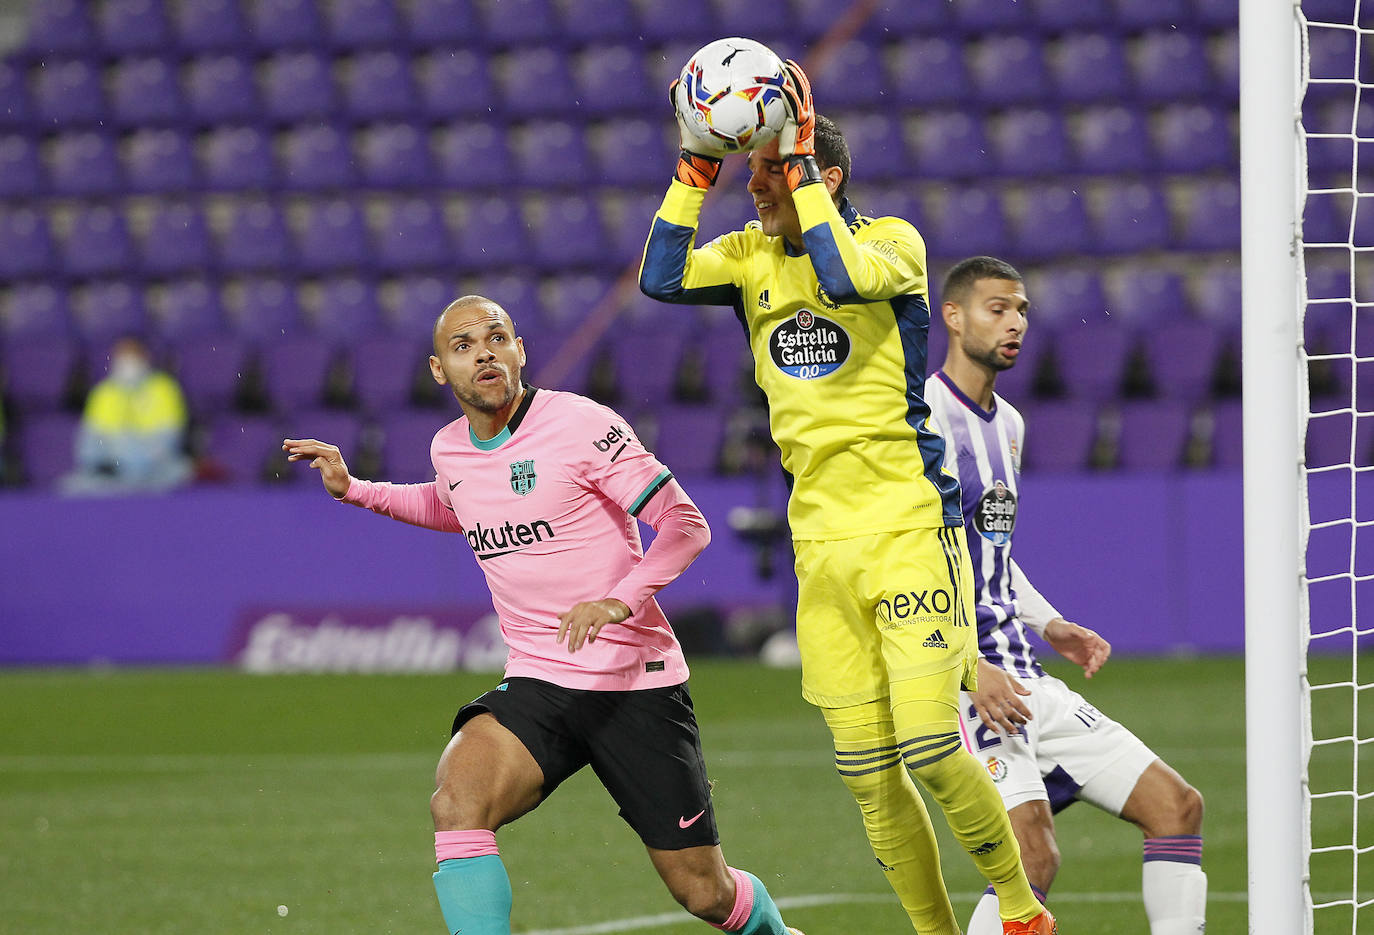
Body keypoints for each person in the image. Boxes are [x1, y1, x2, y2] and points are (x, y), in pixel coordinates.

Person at [640, 60, 1055, 935]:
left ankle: (1022, 914)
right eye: (749, 171)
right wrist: (692, 168)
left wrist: (790, 157)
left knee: (936, 749)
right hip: (821, 548)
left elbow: (842, 277)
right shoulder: (749, 257)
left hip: (909, 525)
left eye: (766, 171)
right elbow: (663, 276)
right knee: (869, 774)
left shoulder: (895, 243)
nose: (752, 188)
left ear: (820, 174)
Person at [283, 295, 805, 935]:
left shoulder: (580, 424)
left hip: (631, 681)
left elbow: (683, 525)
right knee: (457, 802)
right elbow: (455, 505)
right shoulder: (451, 448)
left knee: (704, 893)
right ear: (439, 369)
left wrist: (621, 599)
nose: (484, 353)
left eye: (496, 337)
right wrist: (356, 489)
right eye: (464, 345)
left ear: (519, 349)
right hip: (539, 680)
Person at [924, 256, 1207, 935]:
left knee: (1177, 806)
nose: (1015, 322)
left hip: (1023, 673)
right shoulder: (923, 421)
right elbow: (914, 562)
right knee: (1030, 856)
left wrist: (1049, 622)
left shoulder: (1010, 425)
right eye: (997, 308)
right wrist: (969, 663)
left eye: (1021, 309)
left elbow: (988, 551)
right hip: (966, 677)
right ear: (954, 316)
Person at [63, 334, 193, 494]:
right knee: (72, 486)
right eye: (122, 355)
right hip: (112, 475)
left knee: (180, 473)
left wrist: (132, 457)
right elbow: (88, 448)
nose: (127, 361)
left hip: (155, 473)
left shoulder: (164, 389)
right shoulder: (103, 392)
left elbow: (167, 444)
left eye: (132, 354)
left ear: (145, 356)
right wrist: (115, 460)